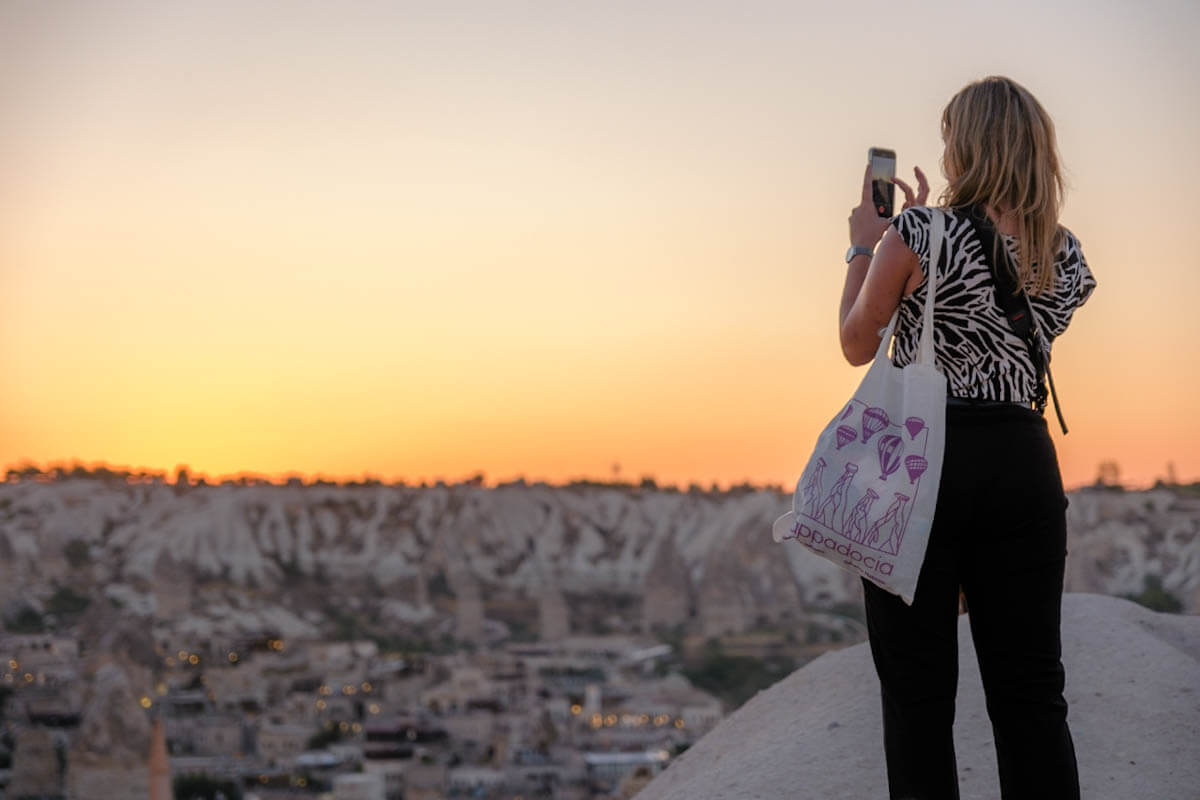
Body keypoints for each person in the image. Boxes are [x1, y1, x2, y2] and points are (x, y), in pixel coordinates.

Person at [839, 75, 1096, 799]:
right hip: (1023, 463)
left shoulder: (916, 232)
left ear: (968, 146)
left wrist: (866, 248)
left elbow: (858, 342)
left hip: (926, 461)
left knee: (918, 702)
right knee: (1033, 698)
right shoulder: (1067, 255)